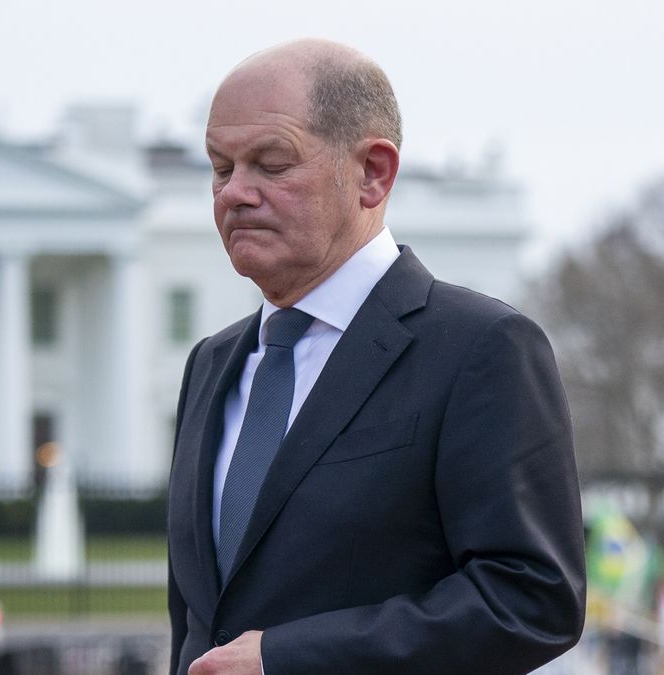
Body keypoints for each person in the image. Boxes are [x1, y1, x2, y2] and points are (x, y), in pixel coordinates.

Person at [167, 38, 585, 674]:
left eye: (271, 165)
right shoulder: (211, 363)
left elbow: (532, 600)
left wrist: (287, 659)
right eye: (221, 168)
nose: (233, 194)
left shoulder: (482, 347)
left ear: (373, 173)